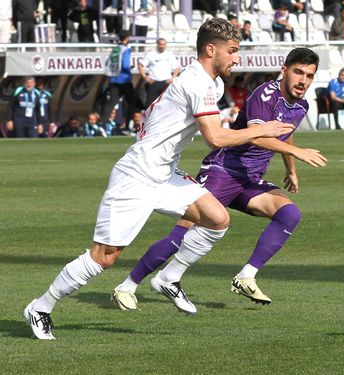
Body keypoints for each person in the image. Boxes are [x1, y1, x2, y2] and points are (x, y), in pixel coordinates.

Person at [23, 18, 296, 341]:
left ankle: (169, 277)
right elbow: (216, 139)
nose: (237, 59)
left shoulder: (213, 84)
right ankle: (41, 307)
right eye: (232, 51)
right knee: (104, 257)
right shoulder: (196, 82)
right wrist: (262, 129)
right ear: (211, 50)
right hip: (136, 176)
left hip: (163, 175)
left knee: (217, 218)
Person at [112, 48, 327, 312]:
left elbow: (285, 133)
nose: (303, 80)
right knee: (183, 231)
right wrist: (297, 152)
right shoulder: (265, 94)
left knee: (289, 214)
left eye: (309, 75)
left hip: (250, 179)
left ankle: (245, 276)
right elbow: (257, 135)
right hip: (222, 171)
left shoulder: (301, 104)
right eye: (298, 72)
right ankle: (128, 285)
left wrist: (291, 168)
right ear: (284, 71)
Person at [100, 30, 137, 131]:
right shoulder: (126, 49)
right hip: (124, 80)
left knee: (111, 103)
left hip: (113, 80)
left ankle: (102, 124)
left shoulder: (115, 49)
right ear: (127, 38)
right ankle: (126, 126)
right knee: (131, 103)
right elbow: (125, 65)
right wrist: (130, 67)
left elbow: (108, 63)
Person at [138, 38, 181, 108]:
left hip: (166, 82)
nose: (162, 46)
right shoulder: (151, 54)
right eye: (160, 44)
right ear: (157, 45)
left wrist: (173, 78)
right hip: (153, 82)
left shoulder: (169, 54)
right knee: (150, 106)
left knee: (167, 105)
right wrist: (145, 77)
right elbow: (140, 66)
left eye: (164, 44)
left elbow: (177, 68)